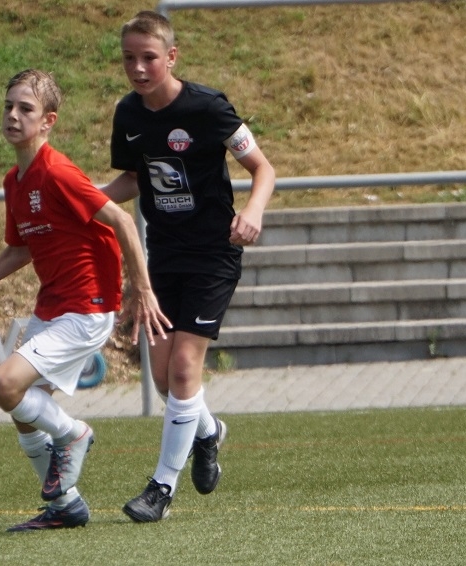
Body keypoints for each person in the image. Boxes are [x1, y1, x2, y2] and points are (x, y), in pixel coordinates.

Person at [0, 69, 170, 532]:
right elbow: (20, 249)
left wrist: (142, 288)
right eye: (8, 106)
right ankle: (65, 506)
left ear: (48, 121)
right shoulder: (15, 180)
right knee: (22, 410)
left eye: (25, 109)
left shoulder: (57, 172)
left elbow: (121, 221)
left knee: (3, 384)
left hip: (87, 306)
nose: (13, 116)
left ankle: (74, 434)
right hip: (53, 306)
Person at [101, 11, 276, 523]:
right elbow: (135, 179)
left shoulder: (207, 107)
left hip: (213, 254)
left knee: (182, 368)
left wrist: (253, 211)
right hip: (163, 253)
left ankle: (161, 489)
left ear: (171, 57)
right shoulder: (128, 114)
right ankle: (208, 431)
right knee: (162, 376)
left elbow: (263, 168)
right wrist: (89, 198)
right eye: (129, 58)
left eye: (149, 57)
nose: (138, 68)